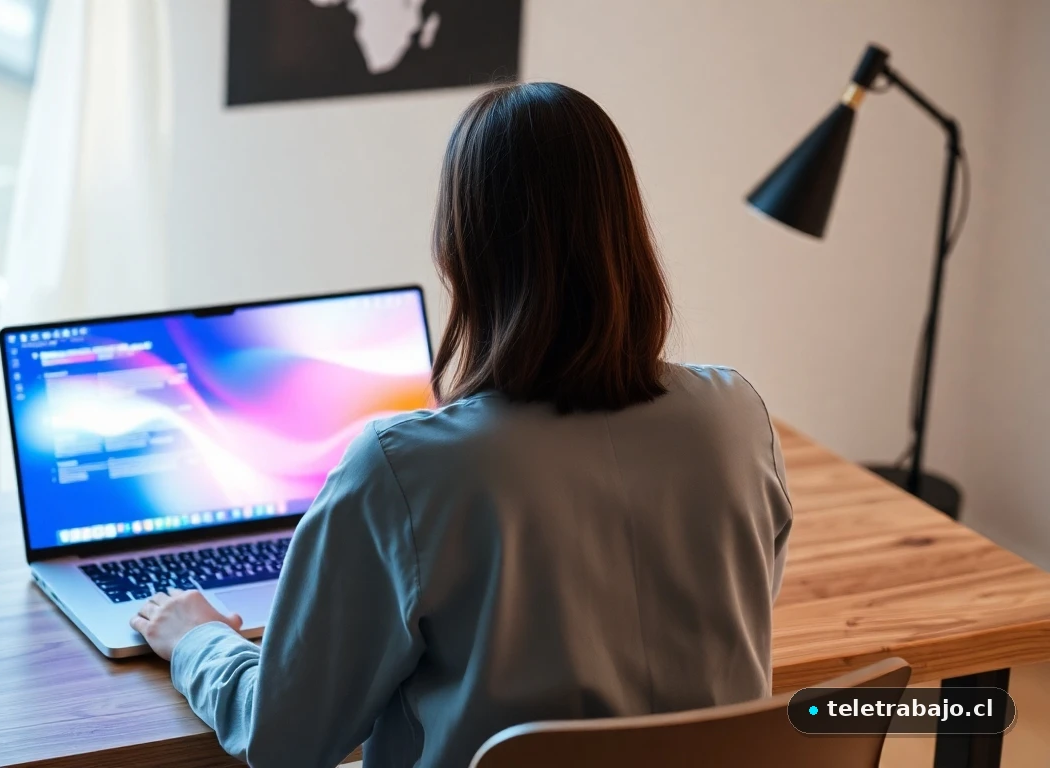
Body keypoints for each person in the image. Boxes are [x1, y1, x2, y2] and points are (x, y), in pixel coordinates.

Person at [129, 82, 793, 768]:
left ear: (457, 256)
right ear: (628, 239)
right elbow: (738, 609)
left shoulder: (409, 468)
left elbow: (285, 742)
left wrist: (200, 640)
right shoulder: (735, 417)